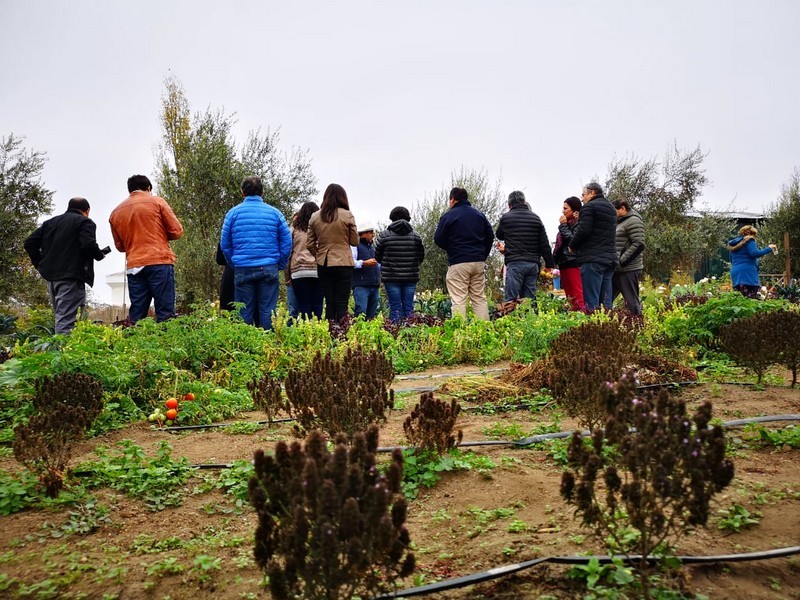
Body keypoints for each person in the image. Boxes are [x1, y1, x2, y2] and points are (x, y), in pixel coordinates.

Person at [24, 197, 109, 334]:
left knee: (61, 315)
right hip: (70, 277)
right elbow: (87, 244)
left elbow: (29, 243)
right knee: (66, 321)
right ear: (87, 211)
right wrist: (99, 255)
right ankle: (62, 353)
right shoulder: (84, 222)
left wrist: (40, 264)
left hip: (51, 277)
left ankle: (61, 350)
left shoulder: (50, 223)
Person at [220, 176, 292, 330]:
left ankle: (246, 348)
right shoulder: (275, 213)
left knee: (244, 311)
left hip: (242, 268)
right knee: (267, 311)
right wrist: (279, 264)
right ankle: (268, 348)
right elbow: (287, 243)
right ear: (262, 192)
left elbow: (225, 245)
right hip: (268, 267)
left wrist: (235, 263)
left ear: (242, 192)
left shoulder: (232, 214)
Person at [109, 174, 184, 322]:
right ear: (148, 188)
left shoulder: (115, 212)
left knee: (137, 312)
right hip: (159, 260)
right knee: (165, 311)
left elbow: (120, 246)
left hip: (134, 265)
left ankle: (135, 342)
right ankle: (165, 342)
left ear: (129, 190)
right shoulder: (157, 202)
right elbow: (177, 231)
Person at [434, 187, 494, 320]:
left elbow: (438, 239)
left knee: (459, 299)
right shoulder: (479, 215)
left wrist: (452, 248)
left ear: (453, 199)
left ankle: (460, 332)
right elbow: (490, 235)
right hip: (478, 262)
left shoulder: (448, 216)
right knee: (479, 298)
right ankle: (484, 331)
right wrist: (483, 255)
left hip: (458, 262)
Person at [306, 183, 359, 321]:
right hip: (343, 262)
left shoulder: (315, 216)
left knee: (330, 302)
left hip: (324, 263)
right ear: (343, 197)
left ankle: (329, 334)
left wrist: (319, 255)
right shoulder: (347, 215)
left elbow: (309, 244)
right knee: (342, 303)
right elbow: (355, 241)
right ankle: (342, 335)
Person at [494, 191, 554, 301]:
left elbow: (499, 235)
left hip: (515, 263)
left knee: (511, 300)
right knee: (528, 300)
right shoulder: (536, 219)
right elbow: (544, 244)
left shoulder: (506, 218)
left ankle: (511, 318)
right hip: (532, 264)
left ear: (509, 205)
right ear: (524, 202)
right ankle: (528, 317)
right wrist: (549, 264)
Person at [567, 182, 617, 310]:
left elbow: (583, 230)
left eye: (583, 195)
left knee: (591, 300)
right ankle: (609, 326)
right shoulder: (611, 208)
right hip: (609, 258)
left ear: (592, 193)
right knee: (606, 301)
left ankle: (592, 326)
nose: (582, 199)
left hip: (593, 259)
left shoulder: (589, 207)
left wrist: (572, 246)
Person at [375, 206, 425, 322]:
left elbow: (377, 257)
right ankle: (411, 334)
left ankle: (396, 334)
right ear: (408, 218)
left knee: (395, 308)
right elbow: (421, 257)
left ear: (392, 218)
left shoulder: (384, 235)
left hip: (391, 278)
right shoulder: (415, 236)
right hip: (410, 277)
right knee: (409, 308)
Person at [289, 201, 323, 319]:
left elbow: (288, 251)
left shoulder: (294, 228)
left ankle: (305, 332)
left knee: (304, 306)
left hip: (299, 271)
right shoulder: (321, 228)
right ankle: (317, 333)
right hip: (318, 270)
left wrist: (287, 275)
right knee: (317, 306)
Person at [611, 199, 645, 315]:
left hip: (629, 269)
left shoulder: (633, 221)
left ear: (622, 208)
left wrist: (622, 261)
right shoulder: (620, 222)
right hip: (616, 269)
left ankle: (638, 325)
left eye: (614, 211)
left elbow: (639, 244)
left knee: (632, 302)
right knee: (606, 300)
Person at [726, 225, 777, 298]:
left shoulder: (733, 244)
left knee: (739, 299)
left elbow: (731, 260)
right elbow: (754, 253)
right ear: (752, 234)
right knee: (751, 298)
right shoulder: (749, 240)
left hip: (736, 273)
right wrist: (769, 248)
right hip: (748, 274)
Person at [552, 196, 584, 310]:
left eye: (566, 208)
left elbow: (573, 240)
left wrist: (563, 226)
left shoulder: (579, 223)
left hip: (574, 262)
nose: (563, 211)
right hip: (564, 262)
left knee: (577, 293)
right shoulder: (567, 224)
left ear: (574, 210)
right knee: (569, 296)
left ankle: (582, 319)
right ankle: (573, 320)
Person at [351, 223, 381, 319]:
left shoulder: (371, 248)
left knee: (371, 315)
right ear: (363, 234)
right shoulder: (354, 246)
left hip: (374, 285)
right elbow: (350, 262)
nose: (373, 235)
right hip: (361, 285)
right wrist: (364, 263)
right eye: (371, 232)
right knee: (361, 312)